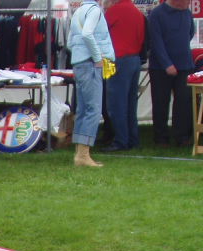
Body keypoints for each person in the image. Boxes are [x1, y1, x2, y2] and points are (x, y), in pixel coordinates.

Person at [67, 0, 114, 167]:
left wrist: (80, 55)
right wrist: (97, 57)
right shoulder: (94, 10)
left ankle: (80, 153)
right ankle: (83, 154)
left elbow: (69, 42)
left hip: (80, 62)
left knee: (83, 109)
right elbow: (87, 33)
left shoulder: (78, 12)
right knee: (93, 109)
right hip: (91, 64)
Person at [147, 0, 193, 146]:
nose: (188, 3)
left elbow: (191, 32)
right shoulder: (157, 14)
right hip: (160, 68)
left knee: (183, 101)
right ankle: (161, 137)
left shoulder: (187, 13)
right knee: (160, 102)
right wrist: (167, 63)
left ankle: (182, 136)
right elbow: (156, 42)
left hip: (184, 65)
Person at [103, 0, 146, 151]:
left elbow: (101, 33)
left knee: (115, 103)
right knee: (130, 103)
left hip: (115, 60)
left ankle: (120, 141)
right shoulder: (137, 12)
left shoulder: (114, 11)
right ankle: (132, 139)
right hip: (134, 59)